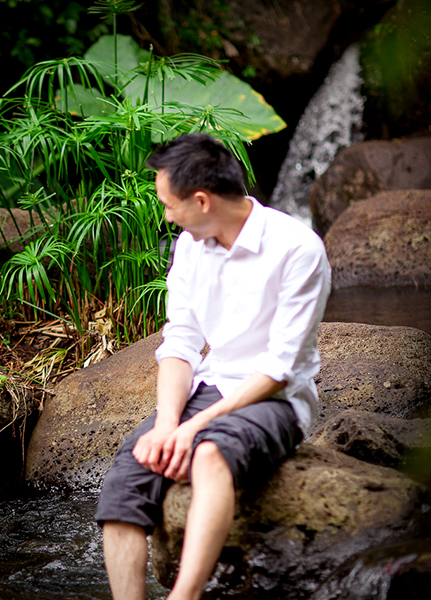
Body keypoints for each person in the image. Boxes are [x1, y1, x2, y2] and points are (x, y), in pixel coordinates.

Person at [95, 133, 331, 600]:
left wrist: (195, 427)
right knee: (130, 470)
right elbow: (180, 343)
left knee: (208, 454)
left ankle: (186, 596)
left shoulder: (297, 249)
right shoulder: (190, 245)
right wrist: (166, 426)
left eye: (169, 204)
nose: (166, 215)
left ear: (201, 200)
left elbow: (280, 368)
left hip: (276, 399)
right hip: (213, 384)